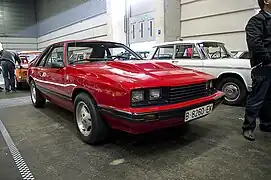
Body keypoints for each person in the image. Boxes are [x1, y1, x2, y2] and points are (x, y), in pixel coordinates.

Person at [242, 0, 271, 141]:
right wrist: (268, 59)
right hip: (263, 66)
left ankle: (266, 124)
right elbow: (255, 44)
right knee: (256, 98)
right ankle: (248, 127)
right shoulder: (257, 21)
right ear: (266, 1)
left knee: (269, 98)